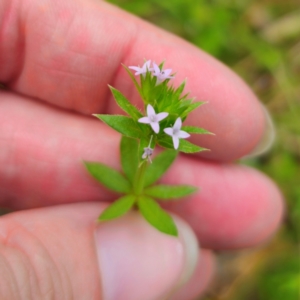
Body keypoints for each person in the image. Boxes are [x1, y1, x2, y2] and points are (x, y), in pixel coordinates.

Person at [0, 0, 283, 299]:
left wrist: (162, 127)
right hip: (144, 153)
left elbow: (163, 128)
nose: (152, 74)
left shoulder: (163, 125)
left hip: (153, 151)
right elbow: (151, 124)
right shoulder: (148, 115)